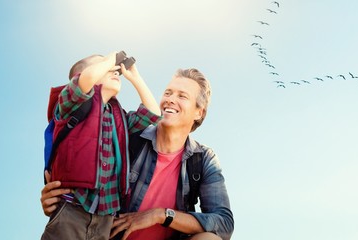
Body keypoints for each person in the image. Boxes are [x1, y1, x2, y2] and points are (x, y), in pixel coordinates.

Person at [41, 68, 234, 240]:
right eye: (168, 92)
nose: (170, 99)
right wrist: (61, 199)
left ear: (198, 113)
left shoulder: (203, 159)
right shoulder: (127, 135)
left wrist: (160, 215)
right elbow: (79, 150)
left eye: (182, 96)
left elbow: (224, 223)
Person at [41, 52, 161, 240]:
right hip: (72, 210)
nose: (114, 69)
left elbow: (153, 113)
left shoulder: (118, 117)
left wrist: (135, 77)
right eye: (106, 67)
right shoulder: (70, 103)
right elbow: (85, 81)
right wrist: (110, 58)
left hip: (105, 216)